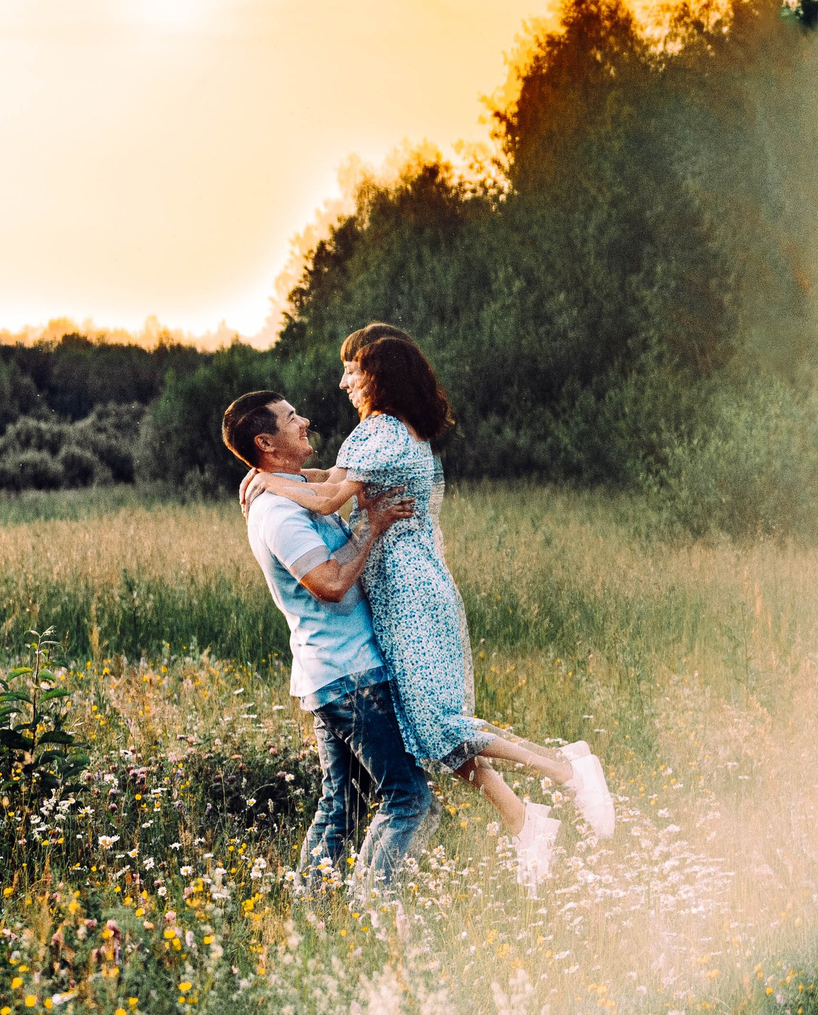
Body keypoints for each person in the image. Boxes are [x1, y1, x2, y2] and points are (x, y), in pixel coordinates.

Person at [238, 324, 614, 885]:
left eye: (351, 370)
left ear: (377, 376)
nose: (341, 383)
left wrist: (264, 482)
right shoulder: (389, 432)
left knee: (435, 724)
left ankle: (566, 768)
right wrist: (269, 480)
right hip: (404, 588)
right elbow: (325, 480)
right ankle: (524, 820)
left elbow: (323, 495)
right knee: (425, 726)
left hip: (406, 592)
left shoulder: (377, 434)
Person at [221, 386, 430, 894]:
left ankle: (310, 912)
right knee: (408, 798)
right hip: (349, 677)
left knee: (344, 804)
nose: (305, 421)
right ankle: (372, 905)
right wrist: (373, 528)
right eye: (292, 419)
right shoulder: (278, 514)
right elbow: (331, 584)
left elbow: (332, 482)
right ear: (266, 442)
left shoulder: (290, 493)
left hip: (334, 673)